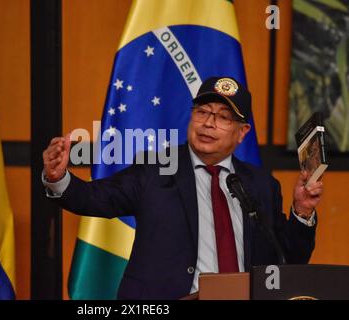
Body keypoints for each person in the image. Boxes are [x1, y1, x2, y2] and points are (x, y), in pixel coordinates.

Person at [42, 76, 323, 300]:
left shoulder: (260, 184)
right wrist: (58, 177)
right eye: (203, 111)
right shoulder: (155, 168)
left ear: (242, 132)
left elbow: (287, 259)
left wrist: (302, 210)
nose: (209, 123)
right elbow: (96, 198)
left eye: (224, 117)